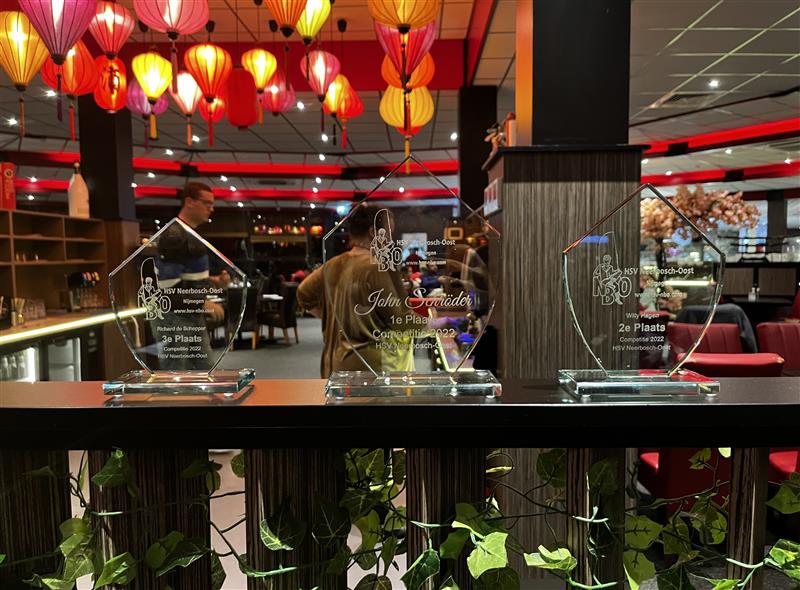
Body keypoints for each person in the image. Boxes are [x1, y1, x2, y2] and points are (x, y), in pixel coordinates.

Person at [298, 205, 415, 378]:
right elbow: (402, 321)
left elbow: (303, 294)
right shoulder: (378, 266)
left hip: (334, 362)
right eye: (389, 233)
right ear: (374, 233)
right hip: (370, 367)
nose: (390, 240)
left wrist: (335, 318)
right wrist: (439, 323)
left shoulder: (332, 264)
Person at [149, 182, 230, 370]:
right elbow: (167, 290)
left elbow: (186, 278)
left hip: (189, 315)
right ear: (189, 202)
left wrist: (215, 281)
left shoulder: (186, 232)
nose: (211, 209)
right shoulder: (175, 235)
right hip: (174, 318)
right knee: (177, 372)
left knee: (202, 370)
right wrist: (202, 303)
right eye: (207, 203)